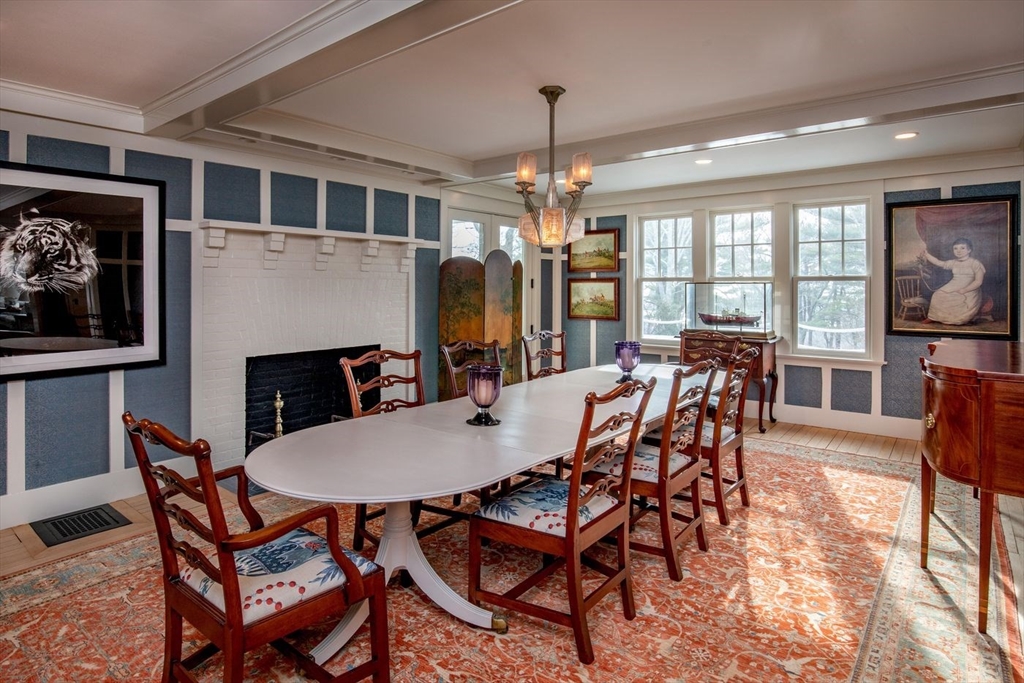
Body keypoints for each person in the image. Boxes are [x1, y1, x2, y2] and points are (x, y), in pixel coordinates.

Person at [920, 237, 985, 325]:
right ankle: (933, 317)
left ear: (969, 250)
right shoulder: (953, 262)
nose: (958, 251)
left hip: (969, 289)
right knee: (937, 295)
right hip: (954, 284)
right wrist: (927, 255)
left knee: (956, 297)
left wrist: (965, 290)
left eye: (962, 248)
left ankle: (956, 319)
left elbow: (978, 281)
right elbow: (939, 263)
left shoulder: (975, 263)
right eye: (955, 248)